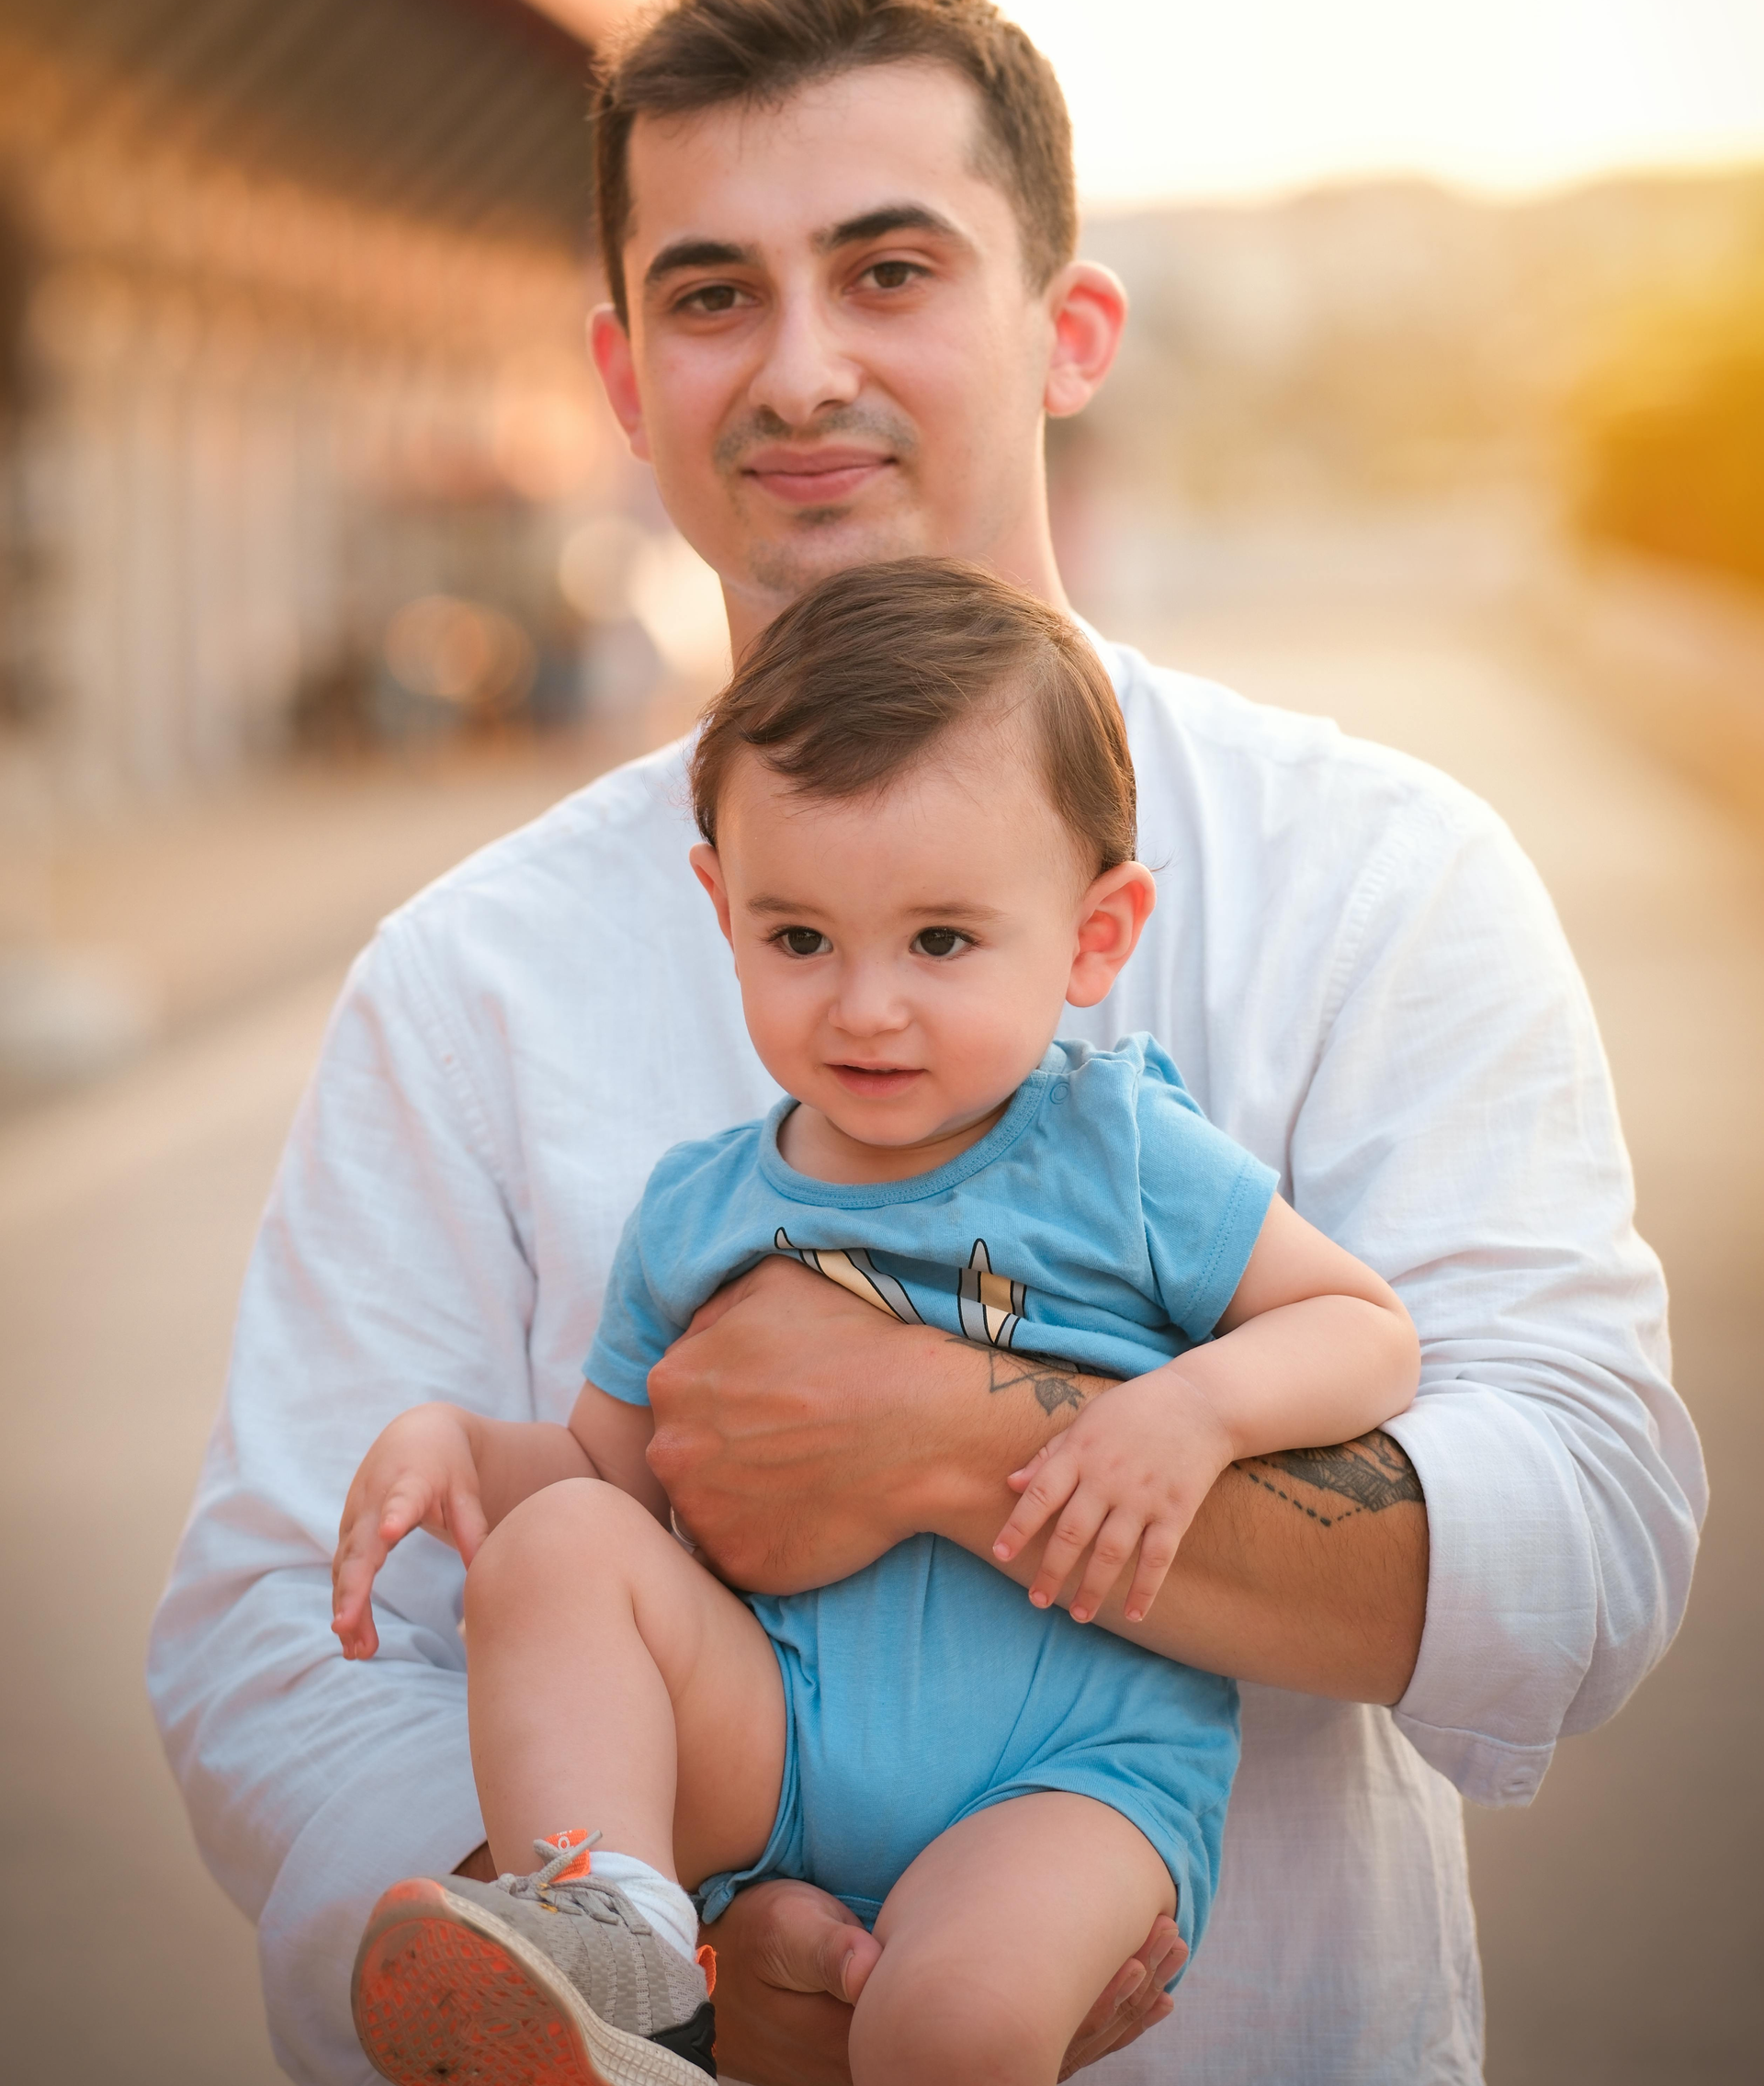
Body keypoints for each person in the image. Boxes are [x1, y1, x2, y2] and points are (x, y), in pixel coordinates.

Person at [148, 0, 1704, 2086]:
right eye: (714, 296)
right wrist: (683, 1964)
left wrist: (965, 1445)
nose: (798, 371)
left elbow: (1589, 1528)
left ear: (1067, 332)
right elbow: (272, 1649)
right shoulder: (464, 977)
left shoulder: (1383, 874)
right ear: (625, 383)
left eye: (890, 270)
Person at [329, 561, 1422, 2086]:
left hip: (1071, 1765)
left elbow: (1366, 1331)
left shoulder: (1117, 1150)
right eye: (800, 941)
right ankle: (627, 1943)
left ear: (1096, 934)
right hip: (777, 1733)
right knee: (552, 1556)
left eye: (942, 942)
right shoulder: (699, 1208)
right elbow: (613, 1479)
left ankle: (816, 1999)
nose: (865, 1008)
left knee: (948, 2027)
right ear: (723, 904)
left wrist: (1196, 1407)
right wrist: (460, 1450)